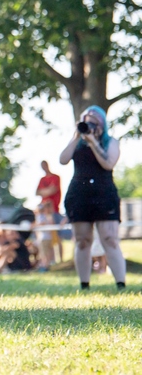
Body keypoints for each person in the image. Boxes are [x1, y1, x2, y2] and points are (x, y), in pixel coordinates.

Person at [58, 105, 127, 290]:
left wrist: (94, 142)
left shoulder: (110, 142)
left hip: (104, 194)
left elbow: (108, 163)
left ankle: (121, 284)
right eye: (86, 121)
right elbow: (62, 160)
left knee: (109, 238)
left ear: (102, 124)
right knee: (82, 240)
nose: (89, 125)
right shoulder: (77, 143)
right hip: (79, 195)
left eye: (94, 122)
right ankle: (84, 284)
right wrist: (76, 136)